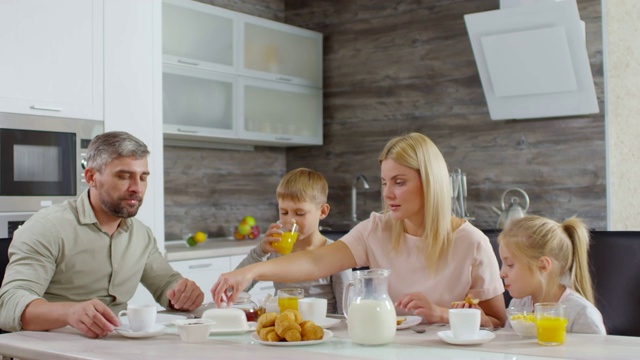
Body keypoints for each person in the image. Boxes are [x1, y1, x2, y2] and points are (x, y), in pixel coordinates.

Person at [211, 132, 506, 328]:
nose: (388, 193)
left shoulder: (472, 243)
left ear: (430, 182)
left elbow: (496, 321)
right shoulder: (375, 229)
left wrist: (441, 314)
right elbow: (316, 260)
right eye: (384, 182)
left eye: (399, 182)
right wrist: (249, 272)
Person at [0, 131, 204, 338]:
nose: (137, 188)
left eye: (142, 178)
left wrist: (182, 293)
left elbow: (165, 283)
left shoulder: (141, 234)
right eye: (124, 176)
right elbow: (9, 305)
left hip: (115, 346)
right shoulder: (47, 228)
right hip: (52, 347)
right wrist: (70, 312)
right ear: (91, 177)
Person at [234, 168, 351, 315]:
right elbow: (233, 289)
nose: (289, 220)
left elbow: (347, 313)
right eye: (284, 212)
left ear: (322, 212)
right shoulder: (276, 249)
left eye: (299, 213)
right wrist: (261, 251)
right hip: (282, 329)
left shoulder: (335, 254)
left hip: (319, 331)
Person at [498, 215, 606, 334]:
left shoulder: (581, 314)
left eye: (509, 264)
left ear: (543, 266)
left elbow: (597, 351)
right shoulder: (518, 305)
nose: (501, 273)